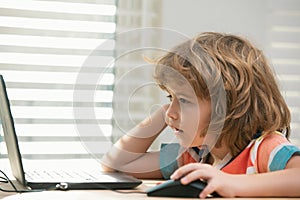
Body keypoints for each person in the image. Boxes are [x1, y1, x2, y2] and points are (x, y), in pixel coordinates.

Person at [101, 32, 300, 198]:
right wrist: (163, 113)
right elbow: (116, 164)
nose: (171, 111)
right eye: (170, 97)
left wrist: (231, 182)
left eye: (185, 100)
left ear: (229, 106)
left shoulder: (263, 148)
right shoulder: (194, 155)